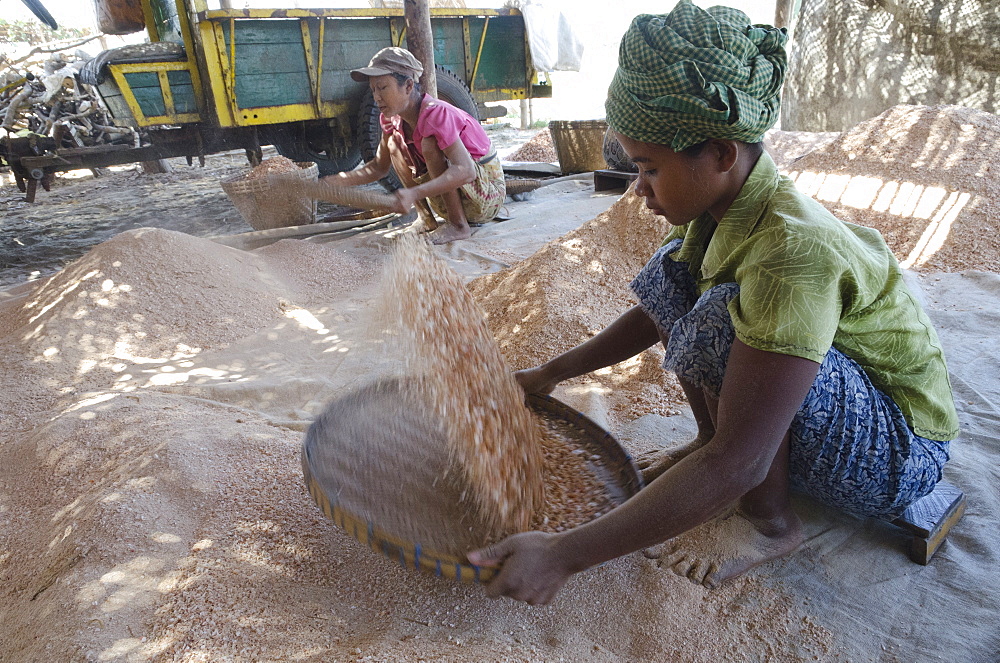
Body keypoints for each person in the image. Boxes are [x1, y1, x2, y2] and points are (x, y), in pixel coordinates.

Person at [467, 0, 959, 605]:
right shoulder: (720, 208)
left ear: (723, 154)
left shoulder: (791, 251)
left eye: (648, 169)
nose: (638, 190)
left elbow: (744, 454)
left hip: (898, 452)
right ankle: (710, 445)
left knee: (722, 324)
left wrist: (563, 554)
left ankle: (770, 523)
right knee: (673, 281)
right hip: (823, 410)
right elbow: (657, 312)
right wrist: (550, 374)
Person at [334, 47, 505, 244]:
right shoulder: (391, 120)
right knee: (394, 144)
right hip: (458, 197)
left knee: (429, 144)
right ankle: (425, 219)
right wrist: (336, 182)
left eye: (382, 88)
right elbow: (378, 168)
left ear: (408, 86)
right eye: (373, 90)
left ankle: (459, 226)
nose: (376, 97)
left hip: (487, 196)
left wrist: (413, 193)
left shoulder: (436, 114)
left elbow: (466, 171)